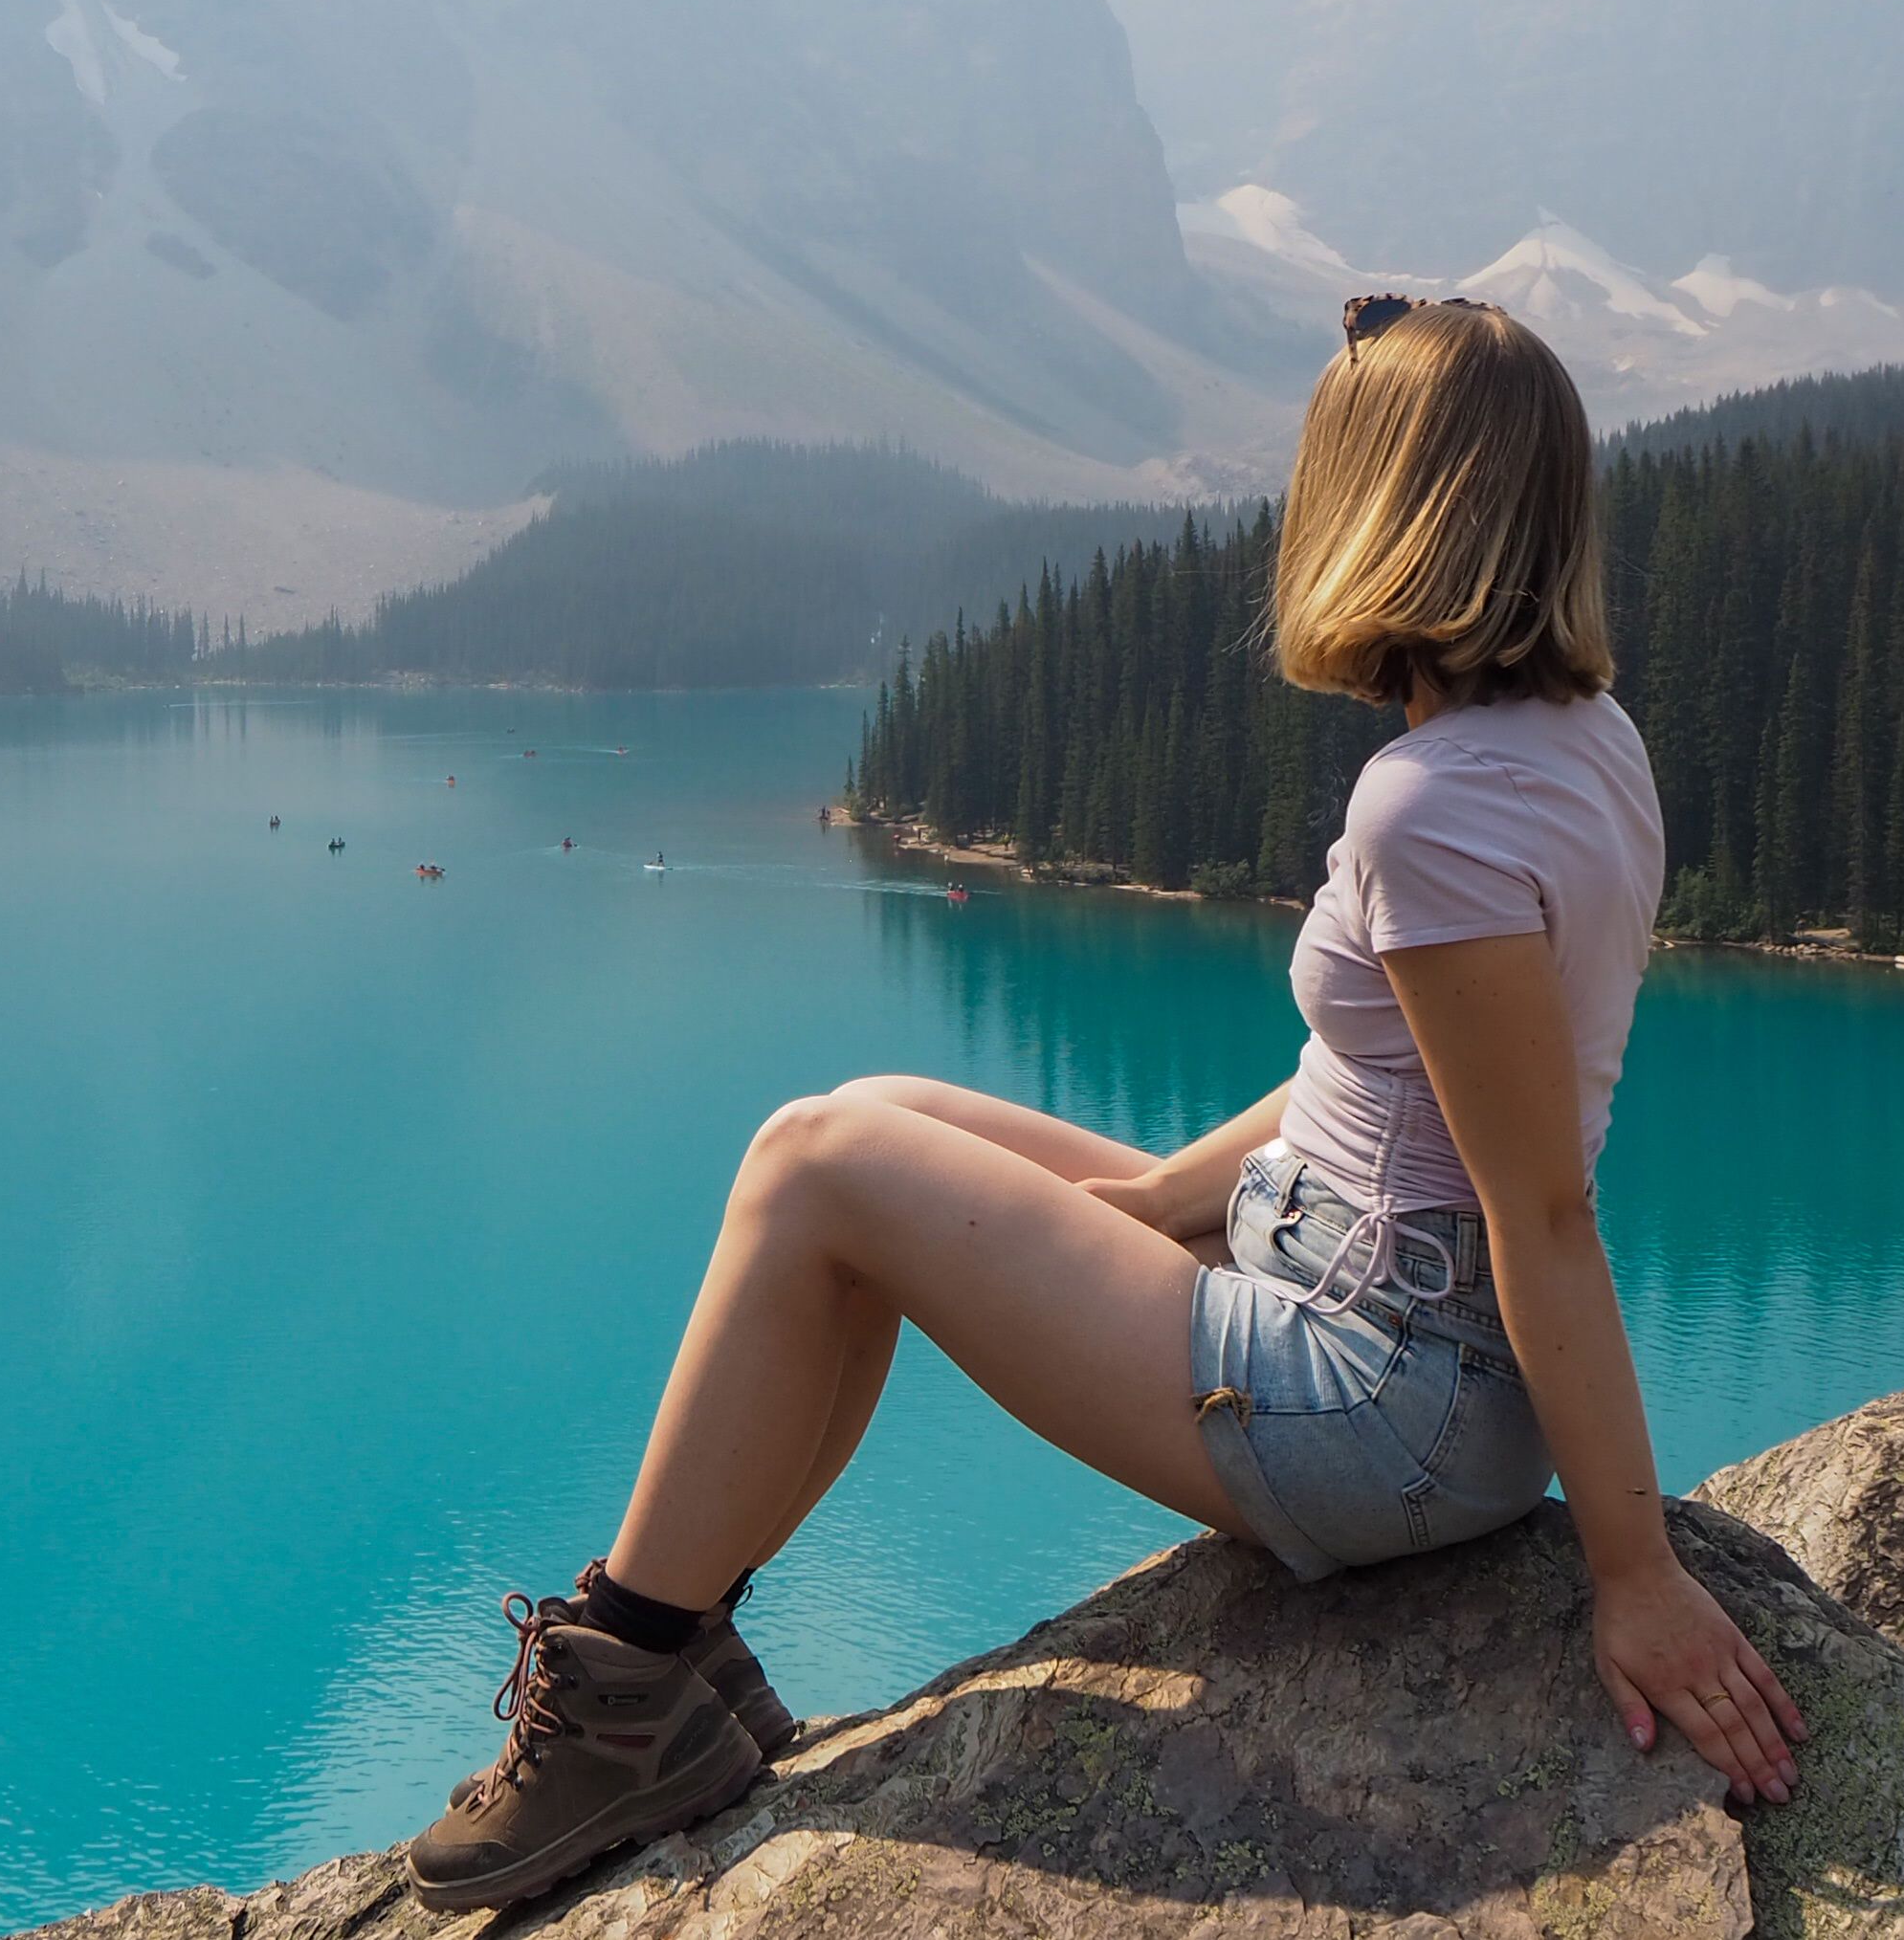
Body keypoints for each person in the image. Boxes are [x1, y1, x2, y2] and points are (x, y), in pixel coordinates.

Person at [401, 296, 1804, 1911]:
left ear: (1381, 508)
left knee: (815, 1164)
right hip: (1361, 1292)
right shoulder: (1583, 743)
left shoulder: (1432, 809)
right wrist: (1145, 1212)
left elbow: (1539, 1208)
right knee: (879, 1105)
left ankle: (625, 1689)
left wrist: (1632, 1572)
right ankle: (690, 1643)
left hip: (1381, 1403)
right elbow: (1374, 1088)